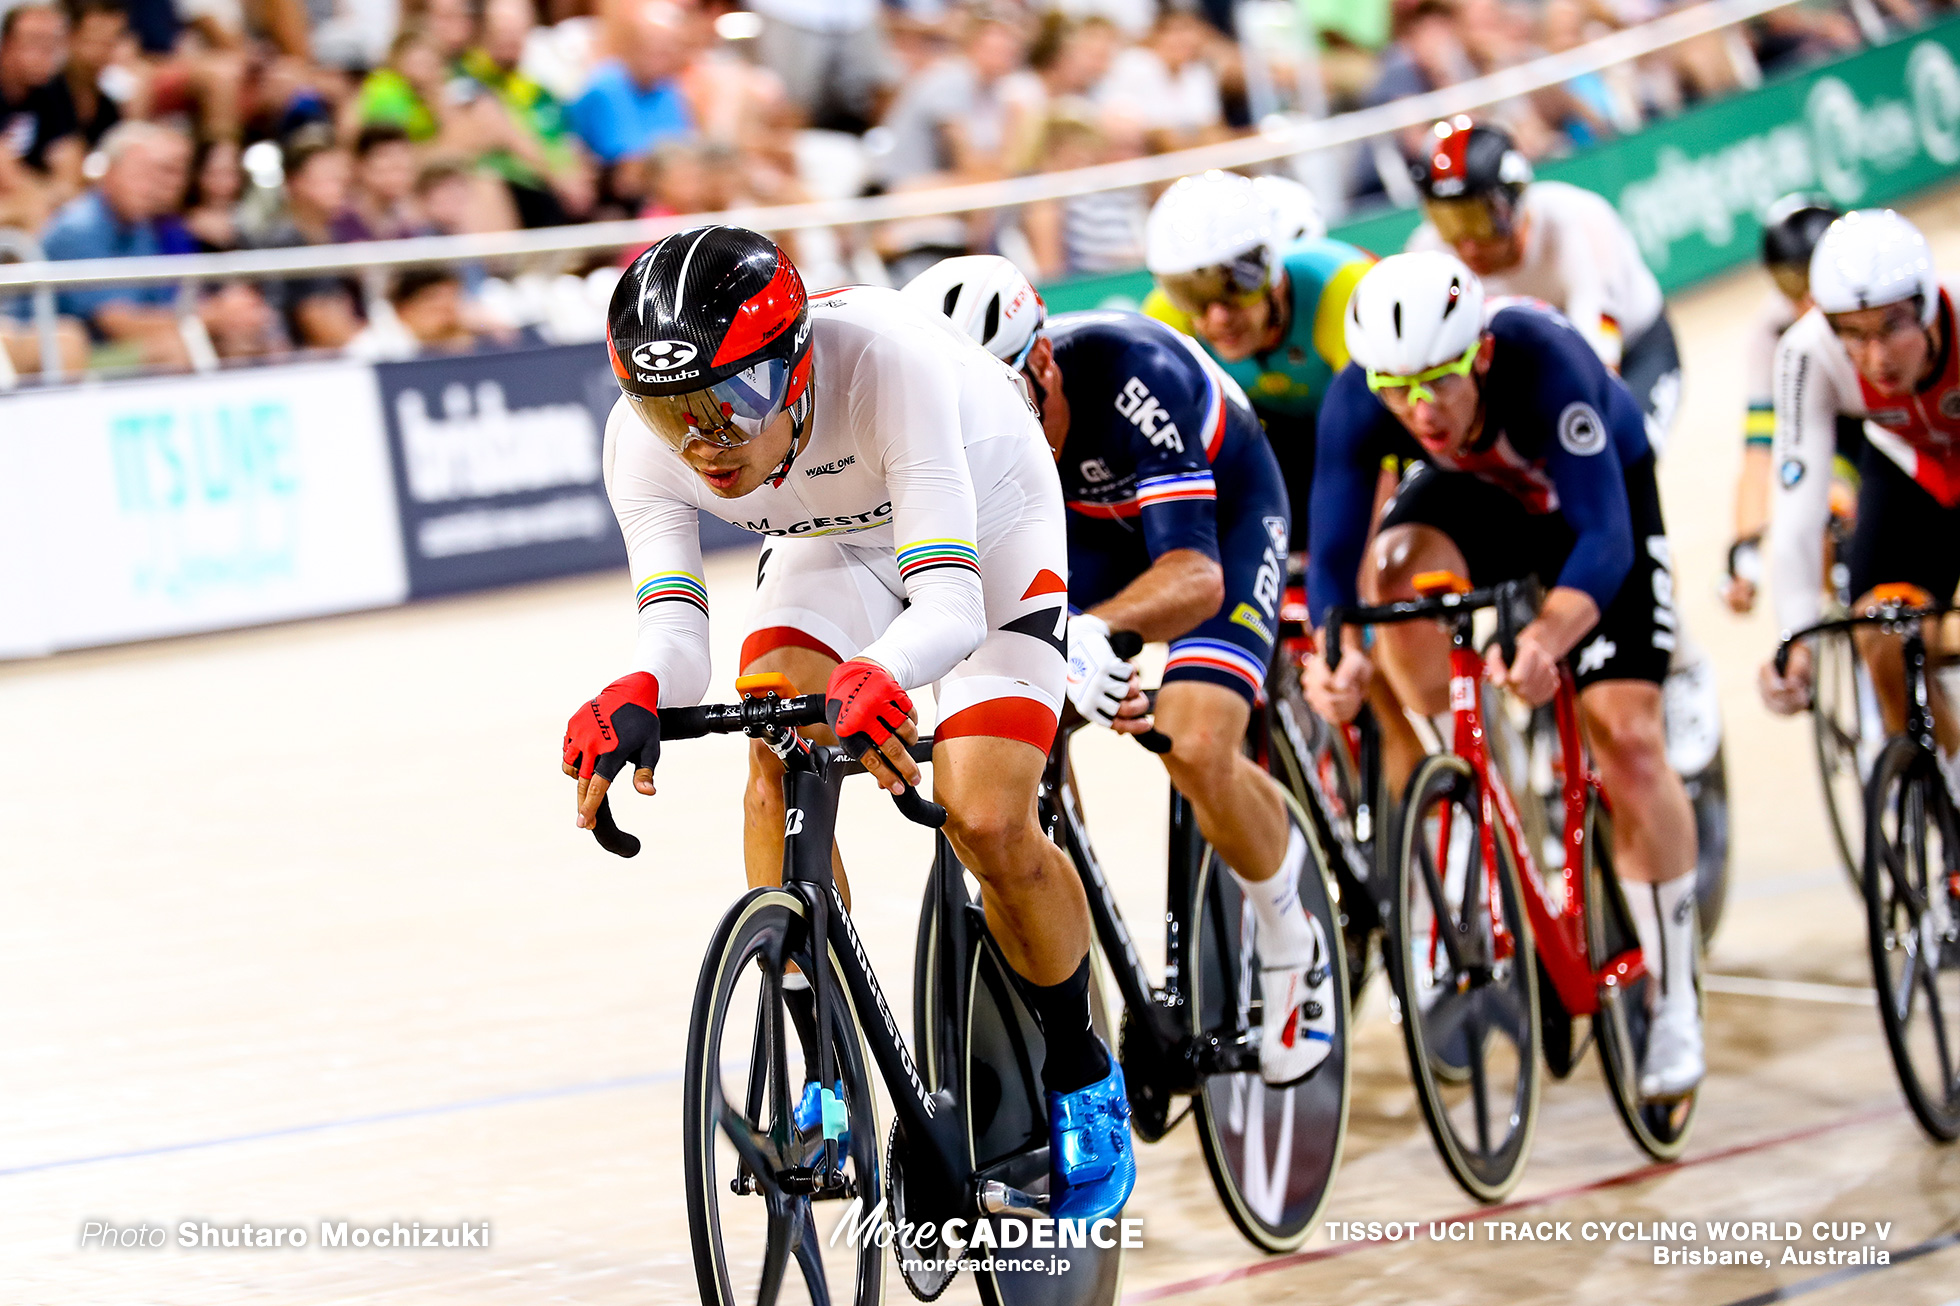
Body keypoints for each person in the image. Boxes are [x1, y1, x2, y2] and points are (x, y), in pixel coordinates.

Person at [563, 226, 1134, 1222]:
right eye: (670, 412)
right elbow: (675, 626)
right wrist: (636, 690)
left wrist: (881, 672)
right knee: (775, 746)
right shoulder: (638, 442)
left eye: (727, 403)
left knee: (987, 817)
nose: (703, 442)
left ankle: (1083, 1069)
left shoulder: (884, 360)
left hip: (985, 524)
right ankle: (819, 1062)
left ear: (792, 368)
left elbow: (950, 606)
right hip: (830, 544)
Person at [904, 254, 1336, 1086]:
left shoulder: (1135, 371)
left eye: (996, 406)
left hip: (1220, 521)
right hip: (1084, 541)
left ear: (1042, 363)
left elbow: (1195, 577)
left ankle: (1292, 938)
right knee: (1014, 763)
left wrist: (1094, 632)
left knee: (1197, 742)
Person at [1303, 252, 1704, 1102]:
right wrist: (1337, 659)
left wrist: (1552, 634)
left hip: (1591, 514)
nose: (1418, 408)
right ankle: (1469, 773)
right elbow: (1335, 564)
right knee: (1396, 574)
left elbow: (1606, 540)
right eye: (1396, 390)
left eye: (1438, 383)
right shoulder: (1362, 394)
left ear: (1478, 356)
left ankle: (1675, 999)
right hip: (1478, 503)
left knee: (1627, 739)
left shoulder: (1543, 361)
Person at [1757, 210, 1960, 788]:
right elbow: (1796, 510)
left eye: (1892, 327)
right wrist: (1794, 636)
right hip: (1908, 471)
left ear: (1924, 305)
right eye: (1854, 332)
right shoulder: (1806, 351)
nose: (1876, 358)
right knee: (1877, 629)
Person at [1406, 116, 1678, 452]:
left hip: (1637, 348)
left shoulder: (1580, 223)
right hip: (1531, 365)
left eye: (1477, 220)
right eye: (1447, 222)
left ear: (1513, 204)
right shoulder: (1428, 250)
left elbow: (1599, 369)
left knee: (1627, 450)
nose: (1466, 245)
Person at [1141, 169, 1373, 555]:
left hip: (1349, 443)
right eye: (1193, 295)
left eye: (1233, 288)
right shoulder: (1165, 316)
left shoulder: (1341, 287)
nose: (1217, 317)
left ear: (1274, 277)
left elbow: (1374, 442)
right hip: (1267, 447)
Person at [1721, 195, 1855, 614]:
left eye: (1812, 280)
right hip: (1828, 434)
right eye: (1789, 284)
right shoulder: (1770, 331)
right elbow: (1760, 453)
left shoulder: (1867, 306)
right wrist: (1744, 548)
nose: (1805, 300)